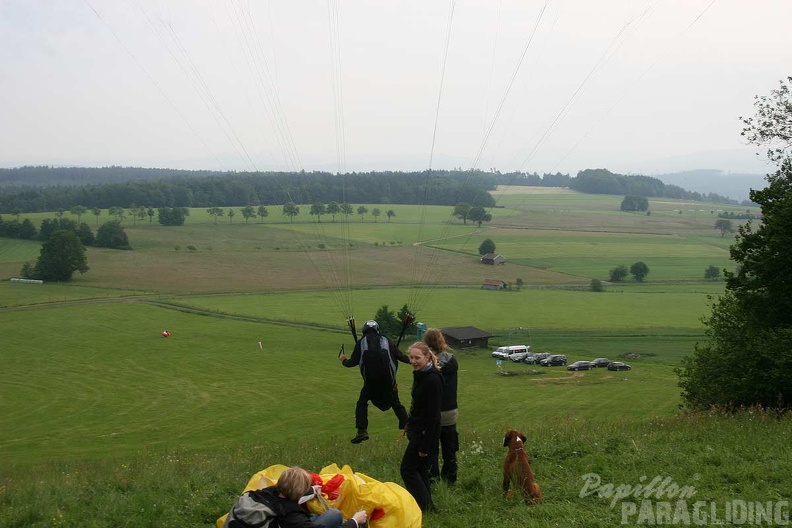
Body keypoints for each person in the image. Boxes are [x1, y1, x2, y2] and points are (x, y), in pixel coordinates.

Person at [223, 466, 367, 528]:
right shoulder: (291, 516)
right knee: (334, 515)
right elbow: (293, 516)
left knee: (313, 517)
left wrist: (311, 490)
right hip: (290, 524)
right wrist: (355, 521)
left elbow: (287, 494)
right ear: (298, 491)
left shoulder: (266, 492)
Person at [339, 320, 410, 444]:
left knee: (362, 403)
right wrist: (417, 360)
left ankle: (362, 431)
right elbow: (401, 357)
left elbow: (352, 363)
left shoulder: (361, 343)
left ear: (364, 331)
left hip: (371, 384)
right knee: (396, 404)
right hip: (389, 383)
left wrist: (343, 360)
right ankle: (408, 426)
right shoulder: (388, 341)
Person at [400, 341, 443, 512]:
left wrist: (425, 445)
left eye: (417, 358)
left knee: (407, 469)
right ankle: (428, 507)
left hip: (425, 433)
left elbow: (433, 416)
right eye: (411, 357)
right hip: (418, 430)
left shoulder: (432, 379)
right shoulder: (421, 374)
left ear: (427, 357)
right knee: (420, 469)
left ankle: (424, 506)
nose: (413, 361)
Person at [423, 328, 459, 485]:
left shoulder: (426, 365)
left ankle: (433, 479)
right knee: (449, 447)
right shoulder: (452, 360)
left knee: (431, 448)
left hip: (432, 412)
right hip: (450, 410)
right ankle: (450, 479)